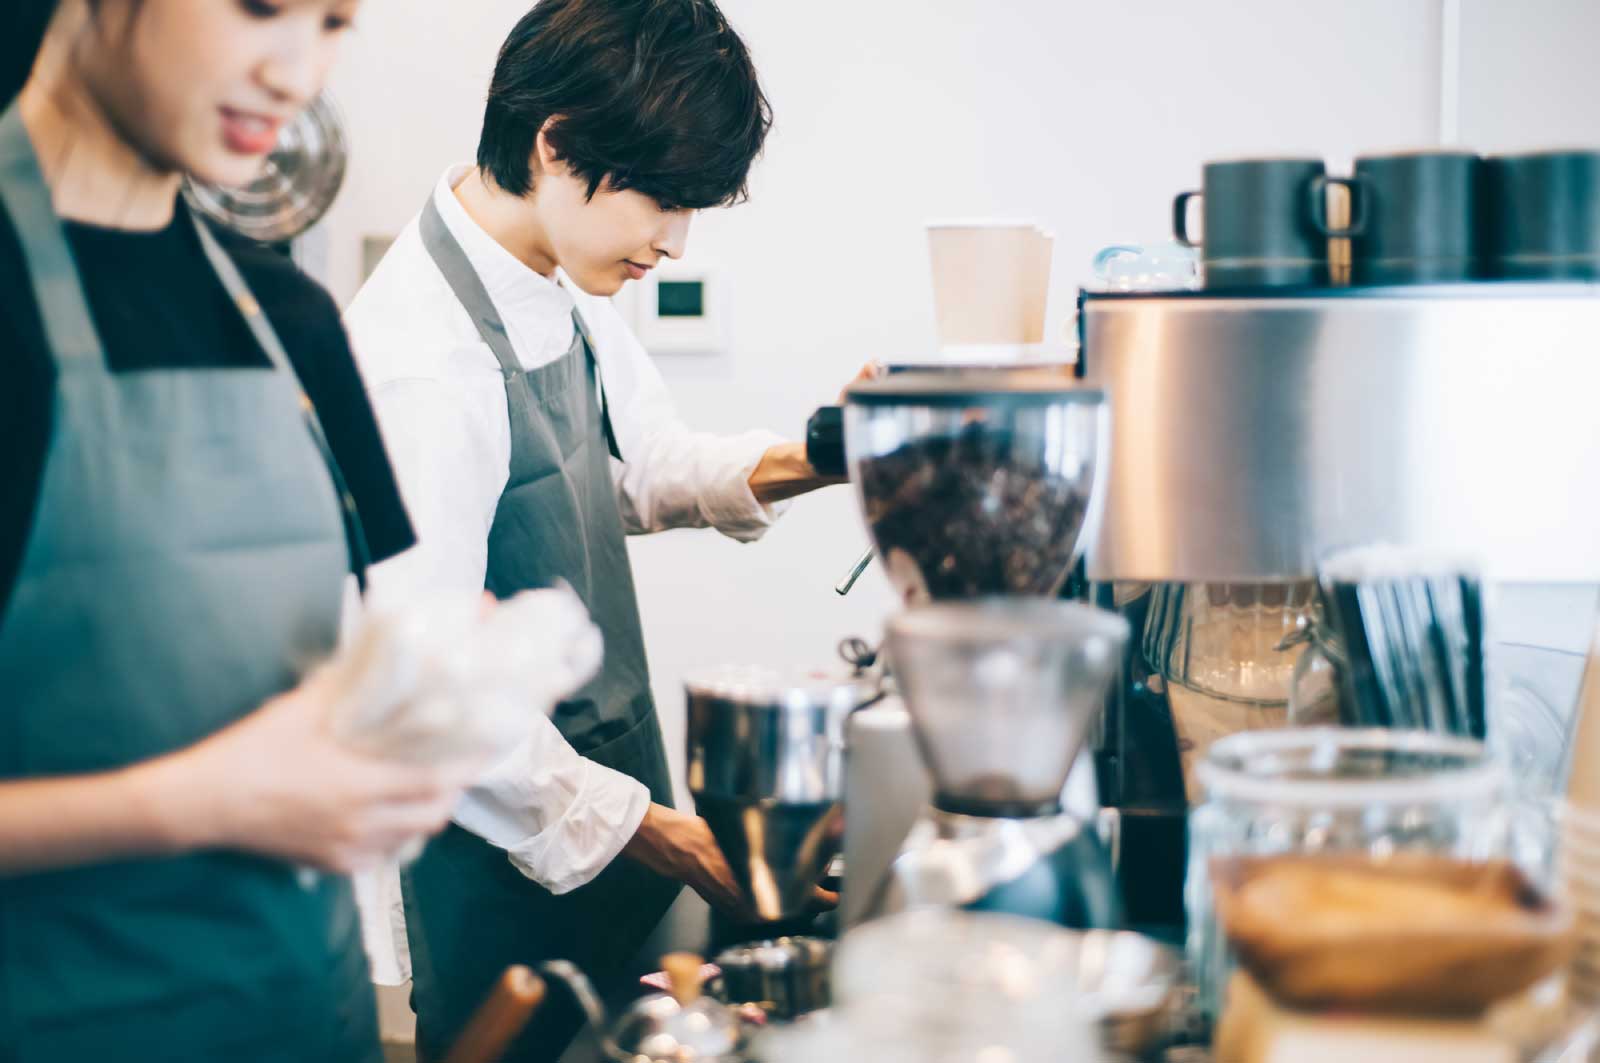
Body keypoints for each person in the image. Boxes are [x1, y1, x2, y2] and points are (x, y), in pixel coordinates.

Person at [344, 0, 859, 1058]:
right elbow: (425, 695)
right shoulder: (419, 369)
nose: (673, 240)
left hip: (609, 785)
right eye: (662, 199)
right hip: (494, 843)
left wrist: (834, 451)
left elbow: (636, 470)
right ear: (557, 143)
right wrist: (669, 839)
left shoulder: (551, 272)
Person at [0, 1, 474, 1058]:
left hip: (306, 1015)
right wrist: (192, 803)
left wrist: (428, 691)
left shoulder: (293, 324)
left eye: (336, 22)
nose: (300, 72)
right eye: (260, 8)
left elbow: (290, 673)